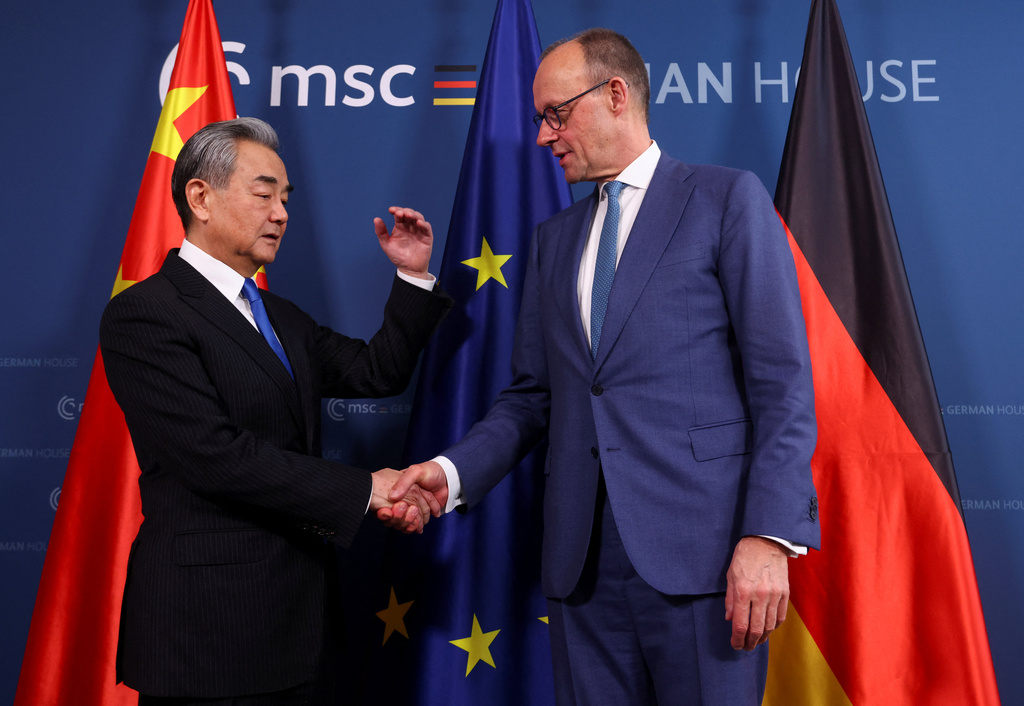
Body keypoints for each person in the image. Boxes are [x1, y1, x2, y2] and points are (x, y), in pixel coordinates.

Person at [385, 29, 820, 705]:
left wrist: (767, 537)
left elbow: (782, 385)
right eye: (539, 119)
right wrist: (449, 475)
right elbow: (532, 398)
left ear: (616, 94)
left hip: (706, 564)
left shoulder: (726, 200)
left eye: (556, 114)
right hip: (581, 569)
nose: (542, 137)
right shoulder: (553, 241)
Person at [99, 117, 452, 705]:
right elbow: (216, 457)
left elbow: (374, 374)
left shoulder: (279, 315)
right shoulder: (145, 315)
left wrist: (412, 276)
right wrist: (368, 488)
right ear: (200, 197)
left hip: (303, 627)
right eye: (264, 195)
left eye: (285, 199)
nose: (282, 213)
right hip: (210, 635)